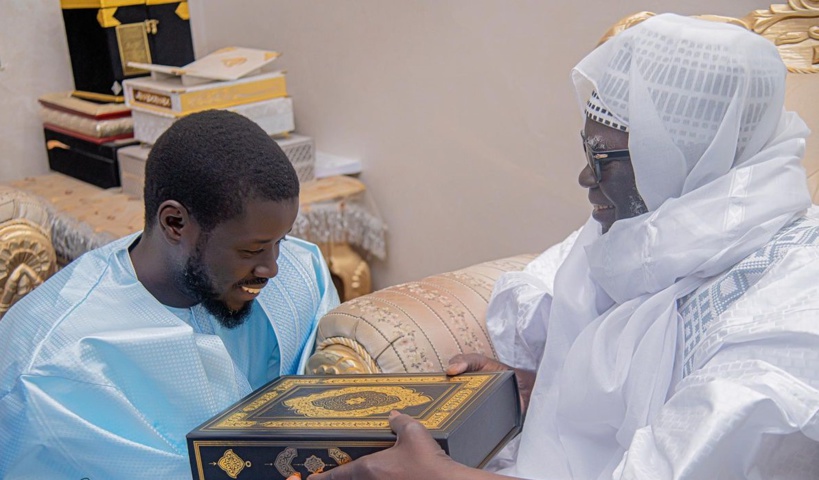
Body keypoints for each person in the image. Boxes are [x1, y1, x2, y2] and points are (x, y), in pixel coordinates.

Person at [307, 13, 819, 480]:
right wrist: (543, 386)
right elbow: (567, 325)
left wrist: (436, 477)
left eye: (604, 160)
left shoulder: (791, 314)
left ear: (682, 159)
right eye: (586, 152)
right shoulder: (654, 229)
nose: (583, 178)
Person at [0, 110, 339, 478]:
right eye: (252, 250)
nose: (273, 267)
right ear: (174, 223)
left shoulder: (301, 272)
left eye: (281, 241)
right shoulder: (58, 367)